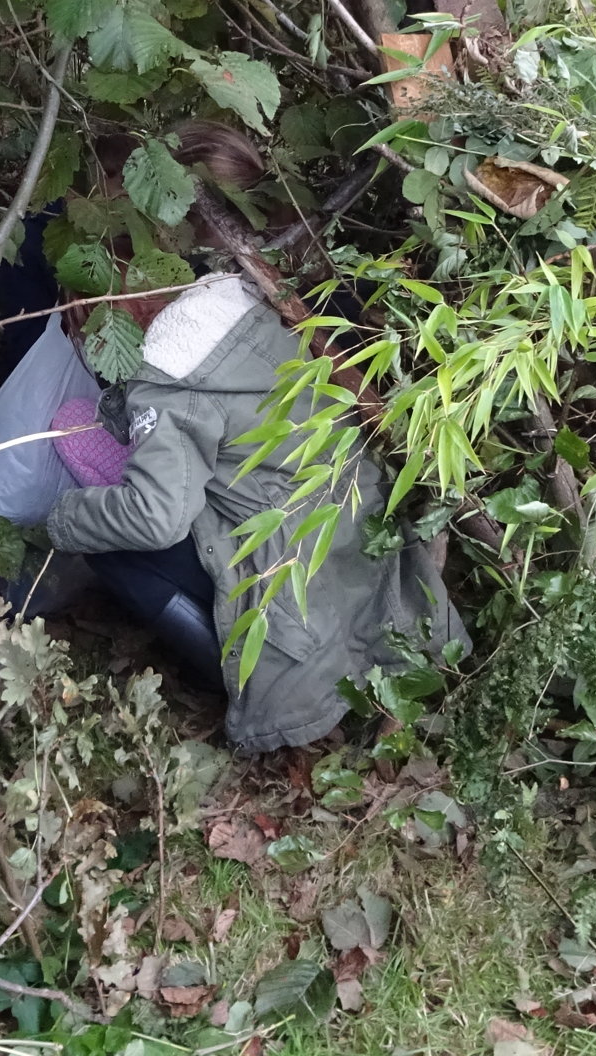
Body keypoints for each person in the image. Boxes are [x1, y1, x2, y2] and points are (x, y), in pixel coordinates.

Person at [43, 123, 464, 753]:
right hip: (371, 574)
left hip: (294, 632)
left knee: (116, 533)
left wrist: (61, 521)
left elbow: (156, 518)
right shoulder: (285, 288)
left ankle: (236, 678)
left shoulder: (171, 364)